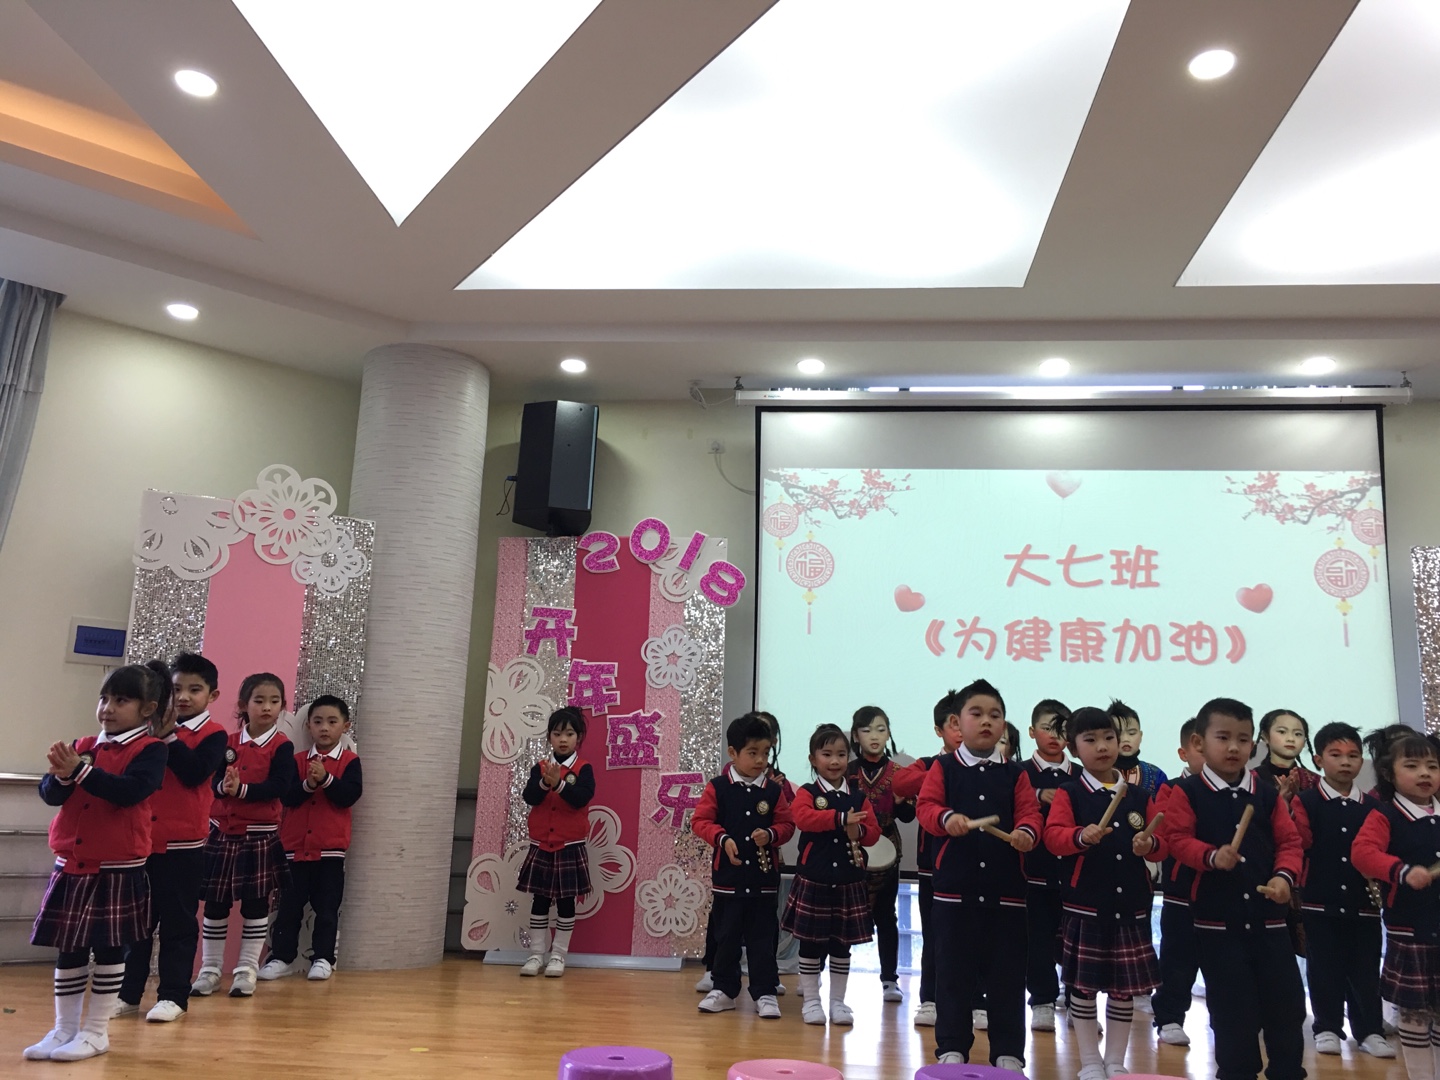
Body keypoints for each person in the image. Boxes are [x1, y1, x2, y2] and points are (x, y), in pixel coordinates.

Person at [24, 661, 169, 1061]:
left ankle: (96, 1032)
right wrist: (62, 776)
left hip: (116, 867)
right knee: (69, 949)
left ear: (147, 709)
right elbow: (50, 794)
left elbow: (130, 791)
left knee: (108, 949)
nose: (107, 708)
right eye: (104, 698)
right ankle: (64, 1029)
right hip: (71, 863)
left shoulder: (152, 750)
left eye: (121, 700)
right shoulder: (84, 745)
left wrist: (80, 771)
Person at [1161, 697, 1306, 1080]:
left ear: (1253, 745)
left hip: (1270, 926)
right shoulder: (1188, 792)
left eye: (1242, 740)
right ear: (1199, 742)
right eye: (1223, 737)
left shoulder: (1266, 794)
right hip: (1217, 926)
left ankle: (1288, 1073)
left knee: (1287, 1007)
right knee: (1232, 1014)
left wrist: (1283, 878)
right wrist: (1210, 856)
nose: (1233, 747)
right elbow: (1177, 839)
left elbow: (1289, 843)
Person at [917, 679, 1042, 1070]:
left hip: (1007, 896)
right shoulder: (943, 767)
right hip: (954, 895)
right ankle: (951, 1048)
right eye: (977, 713)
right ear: (957, 723)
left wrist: (1026, 833)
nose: (987, 721)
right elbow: (926, 807)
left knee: (1007, 978)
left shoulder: (1016, 774)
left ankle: (1008, 1052)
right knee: (953, 976)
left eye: (995, 715)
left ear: (1004, 725)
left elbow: (1030, 813)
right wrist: (946, 818)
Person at [1043, 706, 1165, 1080]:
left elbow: (1163, 844)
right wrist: (1080, 836)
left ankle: (1115, 1061)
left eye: (1109, 738)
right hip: (1086, 905)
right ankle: (1090, 1061)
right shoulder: (1070, 793)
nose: (1102, 746)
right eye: (1091, 740)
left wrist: (1150, 844)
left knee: (1124, 990)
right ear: (1073, 748)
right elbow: (1053, 837)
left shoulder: (1139, 796)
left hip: (1131, 907)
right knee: (1082, 989)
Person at [116, 652, 227, 1023]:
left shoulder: (214, 735)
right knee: (136, 924)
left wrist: (168, 738)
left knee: (178, 923)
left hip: (183, 846)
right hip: (140, 842)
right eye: (177, 688)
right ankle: (128, 994)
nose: (183, 697)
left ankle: (173, 996)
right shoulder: (143, 731)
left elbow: (195, 773)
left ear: (212, 695)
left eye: (194, 690)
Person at [194, 673, 298, 1000]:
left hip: (259, 836)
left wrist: (241, 790)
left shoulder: (282, 746)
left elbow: (281, 786)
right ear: (243, 705)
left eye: (274, 701)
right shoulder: (226, 742)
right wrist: (221, 787)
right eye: (259, 700)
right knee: (215, 905)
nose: (267, 707)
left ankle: (246, 969)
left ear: (283, 706)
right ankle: (210, 970)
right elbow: (210, 782)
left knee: (256, 905)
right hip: (222, 833)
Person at [1291, 721, 1391, 1058]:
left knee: (1365, 970)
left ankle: (1370, 1031)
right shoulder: (1306, 801)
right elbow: (1301, 843)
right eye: (1336, 755)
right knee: (1324, 969)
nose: (1345, 762)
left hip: (1364, 903)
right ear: (1318, 760)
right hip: (1320, 901)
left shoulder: (1374, 807)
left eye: (1353, 755)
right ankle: (1327, 1028)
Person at [690, 714, 795, 1017]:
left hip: (763, 880)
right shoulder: (718, 787)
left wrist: (771, 834)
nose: (761, 760)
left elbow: (787, 825)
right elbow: (700, 821)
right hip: (728, 879)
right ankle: (723, 989)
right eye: (753, 753)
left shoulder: (773, 790)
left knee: (763, 938)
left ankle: (765, 992)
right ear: (733, 753)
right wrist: (722, 838)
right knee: (727, 937)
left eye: (765, 752)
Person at [1353, 729, 1440, 1080]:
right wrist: (1401, 871)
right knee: (1415, 1018)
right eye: (1413, 765)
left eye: (1432, 766)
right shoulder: (1385, 815)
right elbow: (1362, 854)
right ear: (1389, 774)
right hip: (1411, 930)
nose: (1424, 773)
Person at [780, 723, 880, 1026]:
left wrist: (859, 830)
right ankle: (812, 1001)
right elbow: (803, 818)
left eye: (841, 754)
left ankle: (838, 1002)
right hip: (815, 878)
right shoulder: (808, 793)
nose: (834, 761)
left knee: (841, 946)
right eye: (826, 754)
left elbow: (873, 833)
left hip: (849, 880)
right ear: (813, 759)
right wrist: (840, 819)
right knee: (810, 945)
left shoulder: (858, 797)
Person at [261, 695, 363, 982]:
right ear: (308, 726)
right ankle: (281, 957)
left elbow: (349, 796)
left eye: (332, 722)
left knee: (327, 908)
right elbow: (288, 797)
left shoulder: (350, 762)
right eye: (318, 722)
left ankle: (323, 958)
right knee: (289, 908)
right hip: (294, 850)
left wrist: (327, 779)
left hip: (330, 851)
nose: (324, 728)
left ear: (345, 726)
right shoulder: (296, 761)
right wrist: (309, 783)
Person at [894, 696, 967, 1029]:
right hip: (932, 866)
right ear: (939, 730)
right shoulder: (928, 764)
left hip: (978, 864)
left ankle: (976, 1001)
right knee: (936, 935)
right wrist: (944, 774)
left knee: (976, 936)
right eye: (953, 724)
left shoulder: (990, 767)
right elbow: (900, 783)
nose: (960, 730)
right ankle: (930, 999)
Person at [517, 707, 594, 978]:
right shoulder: (539, 768)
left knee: (565, 903)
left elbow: (581, 798)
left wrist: (559, 784)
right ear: (549, 736)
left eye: (569, 734)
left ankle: (558, 955)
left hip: (569, 846)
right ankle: (536, 954)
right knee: (539, 900)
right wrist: (544, 783)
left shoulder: (584, 769)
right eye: (557, 733)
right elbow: (530, 797)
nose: (563, 739)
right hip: (541, 845)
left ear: (578, 737)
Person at [848, 705, 915, 1004]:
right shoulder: (847, 771)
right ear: (855, 736)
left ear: (888, 734)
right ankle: (832, 973)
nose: (874, 736)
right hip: (852, 848)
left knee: (886, 916)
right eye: (866, 730)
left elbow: (909, 817)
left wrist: (901, 803)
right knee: (844, 912)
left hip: (887, 847)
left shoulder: (900, 774)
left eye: (881, 729)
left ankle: (890, 979)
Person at [1020, 698, 1075, 1032]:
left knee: (1075, 940)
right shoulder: (1019, 773)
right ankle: (1041, 1000)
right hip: (1034, 872)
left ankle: (1076, 999)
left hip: (1075, 875)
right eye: (1046, 728)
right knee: (1037, 939)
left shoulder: (1082, 774)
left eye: (1061, 729)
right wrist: (1039, 795)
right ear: (1031, 732)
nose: (1054, 736)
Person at [1150, 717, 1203, 1047]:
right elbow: (1165, 830)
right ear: (1184, 752)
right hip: (1181, 891)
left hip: (1223, 895)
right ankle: (1169, 1018)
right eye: (1200, 748)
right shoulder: (1171, 788)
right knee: (1177, 961)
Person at [1252, 709, 1319, 801]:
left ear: (1304, 742)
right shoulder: (1251, 779)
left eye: (1298, 734)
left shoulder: (1316, 781)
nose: (1291, 739)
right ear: (1265, 736)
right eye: (1282, 732)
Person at [1110, 700, 1168, 797]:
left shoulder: (1156, 775)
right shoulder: (1101, 774)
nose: (1125, 739)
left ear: (1140, 736)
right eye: (1118, 733)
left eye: (1131, 733)